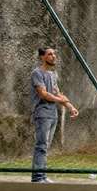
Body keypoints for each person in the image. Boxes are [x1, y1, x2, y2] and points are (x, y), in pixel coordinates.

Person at [30, 47, 78, 183]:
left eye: (54, 54)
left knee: (46, 146)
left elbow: (57, 93)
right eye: (50, 54)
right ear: (42, 57)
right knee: (41, 146)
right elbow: (43, 94)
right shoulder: (37, 73)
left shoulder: (53, 75)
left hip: (53, 115)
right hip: (42, 114)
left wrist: (70, 107)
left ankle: (43, 176)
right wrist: (61, 100)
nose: (54, 56)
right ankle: (37, 177)